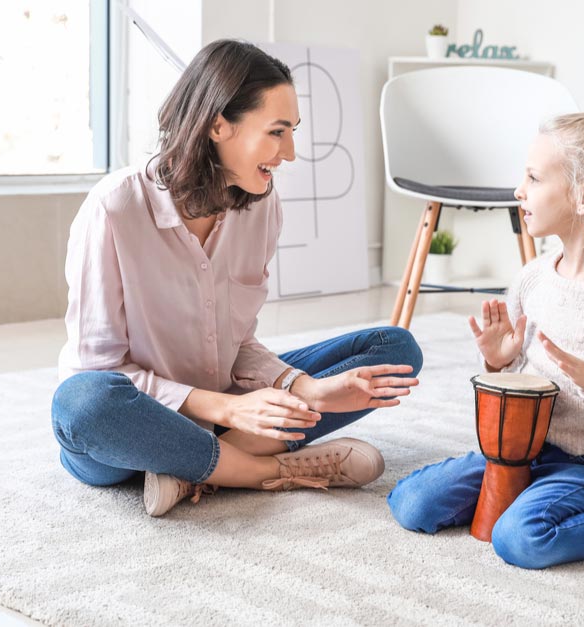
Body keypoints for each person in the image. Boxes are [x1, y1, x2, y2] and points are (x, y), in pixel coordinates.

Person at [51, 40, 422, 518]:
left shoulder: (261, 205)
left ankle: (195, 468)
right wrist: (225, 410)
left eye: (292, 132)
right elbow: (96, 370)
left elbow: (236, 344)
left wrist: (302, 386)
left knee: (394, 351)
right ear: (217, 125)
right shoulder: (115, 208)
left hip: (223, 404)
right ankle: (263, 472)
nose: (289, 152)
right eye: (276, 132)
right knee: (81, 405)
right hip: (132, 428)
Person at [387, 110, 584, 568]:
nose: (519, 190)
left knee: (521, 540)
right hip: (522, 452)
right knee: (412, 504)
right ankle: (535, 495)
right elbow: (524, 383)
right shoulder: (533, 279)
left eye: (534, 178)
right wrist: (500, 362)